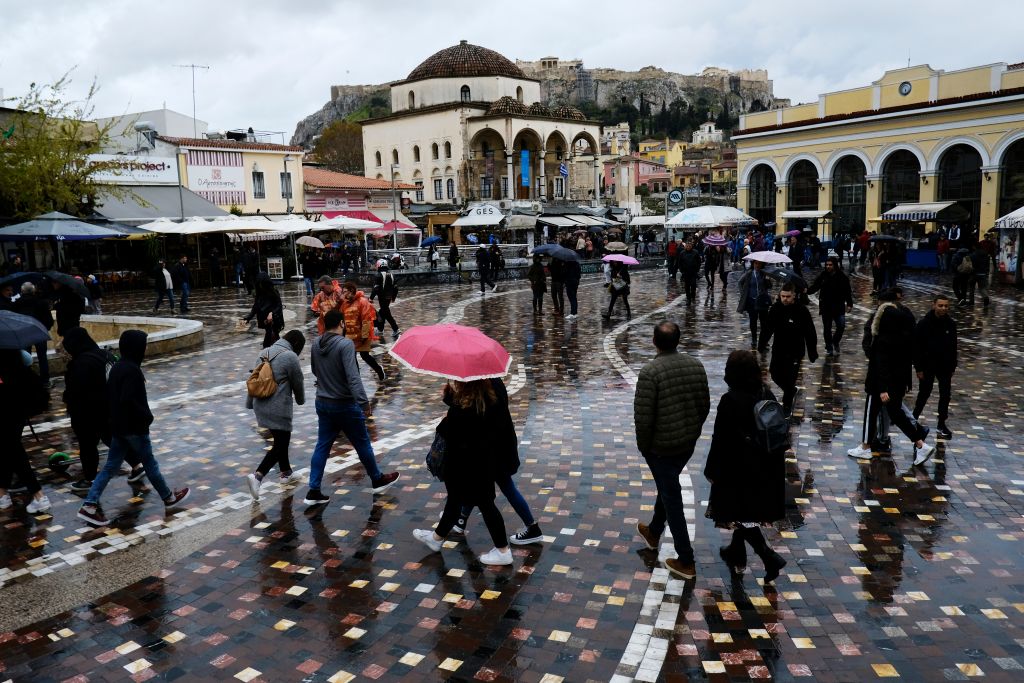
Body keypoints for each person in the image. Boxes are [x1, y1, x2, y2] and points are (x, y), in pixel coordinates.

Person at [76, 331, 191, 526]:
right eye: (143, 346)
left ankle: (89, 505)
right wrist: (147, 417)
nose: (144, 350)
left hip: (119, 428)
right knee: (150, 464)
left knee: (111, 467)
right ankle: (169, 497)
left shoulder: (118, 367)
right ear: (136, 349)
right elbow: (128, 400)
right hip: (134, 428)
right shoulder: (131, 370)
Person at [412, 378, 519, 566]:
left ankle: (503, 551)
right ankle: (437, 538)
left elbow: (448, 428)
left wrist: (448, 403)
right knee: (456, 501)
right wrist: (450, 397)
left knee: (482, 504)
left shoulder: (465, 409)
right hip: (484, 461)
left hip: (464, 464)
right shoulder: (490, 396)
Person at [634, 322, 711, 580]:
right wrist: (693, 431)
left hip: (661, 448)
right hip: (686, 443)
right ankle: (654, 531)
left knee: (672, 497)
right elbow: (704, 405)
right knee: (668, 486)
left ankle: (686, 559)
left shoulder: (650, 372)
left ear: (654, 340)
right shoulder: (695, 365)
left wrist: (644, 447)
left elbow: (643, 419)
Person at [705, 349, 788, 583]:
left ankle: (769, 556)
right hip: (766, 467)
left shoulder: (730, 401)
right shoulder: (766, 393)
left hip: (739, 470)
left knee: (738, 513)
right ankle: (736, 553)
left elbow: (719, 439)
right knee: (745, 514)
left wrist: (712, 470)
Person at [304, 310, 400, 507]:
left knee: (322, 445)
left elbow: (314, 370)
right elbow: (353, 376)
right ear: (340, 323)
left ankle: (313, 490)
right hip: (344, 403)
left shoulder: (316, 344)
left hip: (322, 402)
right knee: (362, 441)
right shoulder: (345, 344)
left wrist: (328, 378)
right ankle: (376, 478)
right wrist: (364, 403)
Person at [848, 289, 935, 466]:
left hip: (880, 385)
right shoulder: (903, 339)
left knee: (871, 413)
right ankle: (921, 444)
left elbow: (881, 365)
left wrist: (882, 389)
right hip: (898, 382)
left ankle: (865, 447)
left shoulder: (883, 340)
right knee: (896, 414)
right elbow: (908, 359)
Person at [63, 327, 145, 492]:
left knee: (88, 445)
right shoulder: (103, 354)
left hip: (91, 412)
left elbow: (76, 392)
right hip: (110, 408)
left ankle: (90, 479)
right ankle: (137, 465)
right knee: (112, 438)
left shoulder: (81, 363)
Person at [245, 330, 306, 500]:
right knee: (281, 443)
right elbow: (298, 381)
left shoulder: (264, 352)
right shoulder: (290, 357)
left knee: (281, 439)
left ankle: (286, 473)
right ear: (296, 345)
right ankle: (258, 476)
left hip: (260, 404)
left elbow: (254, 377)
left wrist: (250, 403)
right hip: (278, 406)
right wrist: (301, 400)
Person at [0, 349, 51, 514]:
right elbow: (27, 359)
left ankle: (38, 495)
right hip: (19, 404)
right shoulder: (10, 347)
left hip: (8, 406)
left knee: (13, 450)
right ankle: (2, 494)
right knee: (8, 448)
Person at [760, 283, 818, 416]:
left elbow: (810, 332)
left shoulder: (802, 310)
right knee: (775, 374)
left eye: (788, 296)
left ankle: (787, 408)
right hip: (779, 349)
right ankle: (791, 391)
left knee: (790, 378)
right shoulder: (775, 309)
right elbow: (767, 328)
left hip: (795, 352)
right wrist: (762, 344)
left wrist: (812, 351)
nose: (785, 299)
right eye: (782, 296)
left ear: (794, 296)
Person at [912, 296, 957, 440]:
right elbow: (916, 347)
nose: (943, 308)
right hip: (927, 366)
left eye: (946, 306)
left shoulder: (950, 324)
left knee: (945, 395)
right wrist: (918, 368)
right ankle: (913, 419)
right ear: (934, 305)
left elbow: (953, 346)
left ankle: (942, 423)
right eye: (940, 305)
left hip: (944, 367)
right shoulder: (924, 323)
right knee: (924, 393)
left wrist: (952, 366)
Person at [806, 256, 854, 356]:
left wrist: (849, 304)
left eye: (830, 265)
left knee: (841, 326)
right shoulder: (823, 275)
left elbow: (847, 291)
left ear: (835, 265)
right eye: (827, 265)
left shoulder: (842, 277)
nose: (828, 267)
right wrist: (807, 291)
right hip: (826, 306)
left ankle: (835, 341)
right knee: (827, 328)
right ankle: (829, 347)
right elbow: (816, 286)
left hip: (838, 306)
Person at [340, 280, 386, 382]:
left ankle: (378, 370)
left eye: (345, 292)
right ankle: (356, 379)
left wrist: (364, 336)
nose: (343, 295)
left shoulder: (362, 301)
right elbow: (343, 318)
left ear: (351, 291)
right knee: (352, 357)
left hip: (362, 335)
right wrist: (343, 333)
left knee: (364, 355)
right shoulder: (345, 304)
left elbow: (366, 319)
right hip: (350, 336)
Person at [13, 282, 53, 384]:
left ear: (22, 291)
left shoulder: (17, 304)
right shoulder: (41, 302)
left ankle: (27, 380)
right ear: (33, 291)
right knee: (42, 357)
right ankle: (45, 380)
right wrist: (45, 328)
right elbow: (49, 320)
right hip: (39, 332)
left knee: (25, 357)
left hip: (23, 333)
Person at [736, 260, 772, 349]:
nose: (757, 265)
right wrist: (743, 293)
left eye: (759, 263)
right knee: (753, 322)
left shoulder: (764, 274)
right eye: (755, 263)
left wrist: (767, 280)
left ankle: (764, 341)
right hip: (751, 302)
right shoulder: (749, 273)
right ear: (753, 264)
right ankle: (754, 339)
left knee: (764, 323)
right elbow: (740, 282)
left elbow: (769, 286)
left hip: (762, 302)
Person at [244, 273, 283, 348]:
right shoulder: (259, 293)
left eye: (262, 284)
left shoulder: (273, 292)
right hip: (264, 318)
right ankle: (273, 347)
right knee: (271, 335)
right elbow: (255, 306)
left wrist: (272, 313)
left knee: (271, 335)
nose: (260, 286)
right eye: (259, 284)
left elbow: (279, 305)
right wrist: (249, 317)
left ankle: (270, 349)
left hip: (274, 319)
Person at [370, 260, 400, 340]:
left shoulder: (378, 275)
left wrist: (371, 298)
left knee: (386, 313)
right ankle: (380, 329)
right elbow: (396, 288)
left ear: (379, 266)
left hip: (382, 298)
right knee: (382, 312)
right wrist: (393, 297)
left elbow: (376, 288)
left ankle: (396, 329)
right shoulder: (392, 275)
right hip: (388, 298)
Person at [967, 239, 992, 308]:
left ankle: (971, 301)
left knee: (971, 288)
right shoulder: (986, 254)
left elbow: (970, 265)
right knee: (982, 288)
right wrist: (987, 272)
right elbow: (987, 264)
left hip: (974, 273)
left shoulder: (972, 255)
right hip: (983, 273)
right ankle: (986, 297)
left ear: (974, 247)